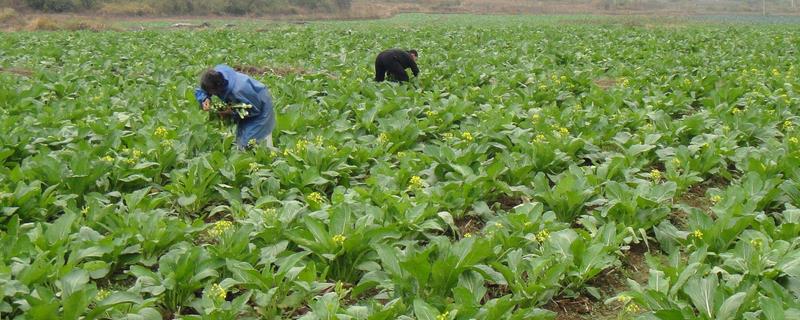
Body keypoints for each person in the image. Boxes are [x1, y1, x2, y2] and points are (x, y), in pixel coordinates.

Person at [194, 64, 276, 149]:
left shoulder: (239, 90)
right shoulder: (215, 75)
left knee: (250, 143)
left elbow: (253, 110)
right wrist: (205, 99)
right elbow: (202, 89)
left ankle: (271, 155)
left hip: (260, 105)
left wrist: (230, 112)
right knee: (242, 138)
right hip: (245, 102)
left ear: (218, 89)